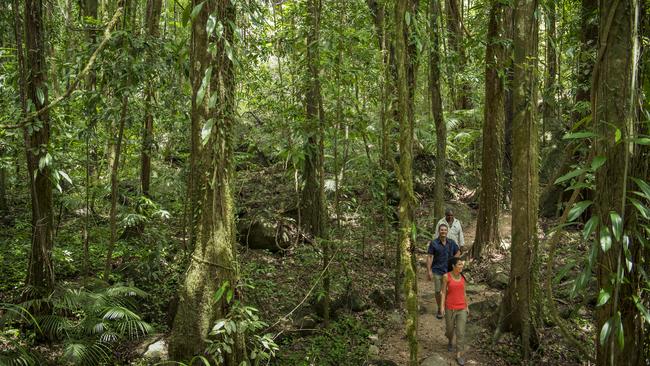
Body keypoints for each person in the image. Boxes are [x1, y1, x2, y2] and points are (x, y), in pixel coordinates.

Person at [427, 223, 460, 319]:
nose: (443, 232)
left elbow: (458, 251)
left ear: (447, 231)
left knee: (449, 291)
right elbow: (429, 256)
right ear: (439, 231)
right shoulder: (434, 243)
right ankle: (439, 308)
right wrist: (429, 271)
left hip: (449, 271)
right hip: (437, 270)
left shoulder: (451, 242)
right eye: (441, 230)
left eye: (445, 230)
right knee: (438, 291)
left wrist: (454, 260)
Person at [441, 257, 469, 366]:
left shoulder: (463, 278)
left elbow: (464, 293)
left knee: (460, 332)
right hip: (450, 307)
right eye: (459, 264)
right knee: (450, 330)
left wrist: (467, 306)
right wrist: (442, 307)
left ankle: (459, 354)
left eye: (462, 264)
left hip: (461, 308)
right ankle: (450, 340)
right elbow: (443, 292)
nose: (461, 266)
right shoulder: (446, 276)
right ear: (453, 266)